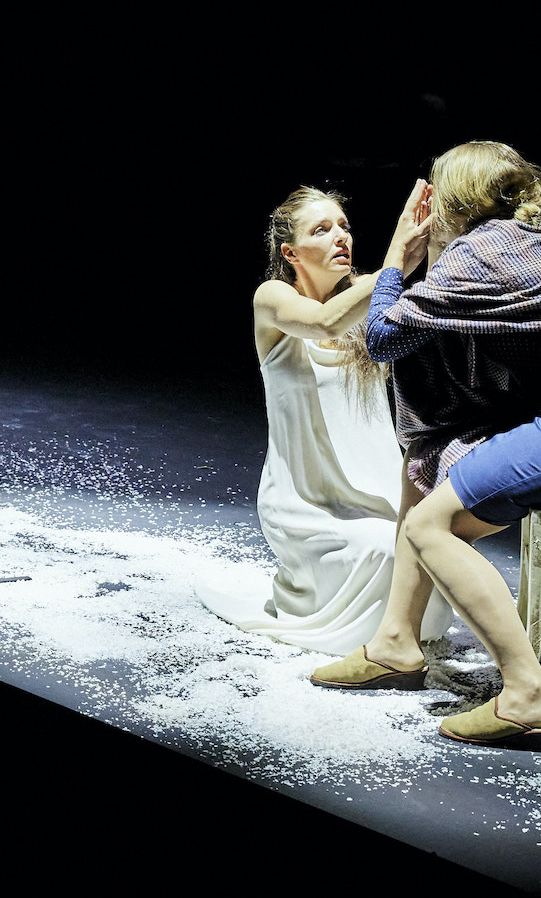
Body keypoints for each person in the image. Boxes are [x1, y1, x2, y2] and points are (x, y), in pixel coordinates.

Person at [308, 142, 541, 752]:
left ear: (451, 200)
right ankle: (395, 645)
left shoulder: (477, 252)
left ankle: (526, 696)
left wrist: (401, 257)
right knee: (427, 462)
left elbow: (381, 339)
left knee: (433, 523)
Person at [194, 185, 454, 653]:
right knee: (385, 552)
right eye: (322, 229)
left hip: (376, 491)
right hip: (304, 500)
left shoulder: (366, 293)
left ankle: (396, 640)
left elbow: (431, 296)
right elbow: (324, 322)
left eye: (344, 226)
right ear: (291, 252)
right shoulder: (273, 298)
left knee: (431, 546)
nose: (341, 238)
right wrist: (396, 260)